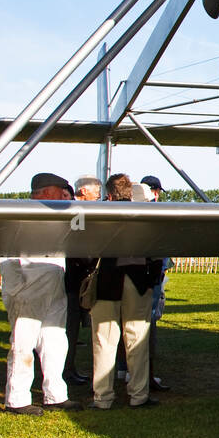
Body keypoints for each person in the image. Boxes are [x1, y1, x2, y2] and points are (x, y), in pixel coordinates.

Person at [0, 173, 82, 414]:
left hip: (54, 282)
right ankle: (16, 399)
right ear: (47, 192)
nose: (65, 195)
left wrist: (73, 203)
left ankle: (55, 395)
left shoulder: (61, 213)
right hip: (30, 287)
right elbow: (7, 255)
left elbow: (80, 227)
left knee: (55, 340)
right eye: (62, 191)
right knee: (23, 344)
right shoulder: (23, 214)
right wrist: (17, 290)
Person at [89, 174, 162, 409]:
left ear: (109, 194)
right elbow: (156, 251)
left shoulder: (99, 215)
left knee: (104, 341)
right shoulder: (145, 214)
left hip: (108, 280)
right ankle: (139, 395)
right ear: (130, 193)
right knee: (138, 340)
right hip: (139, 279)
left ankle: (102, 398)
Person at [62, 174, 102, 385]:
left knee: (73, 331)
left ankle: (69, 369)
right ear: (85, 192)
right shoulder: (76, 211)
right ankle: (65, 371)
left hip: (74, 278)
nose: (98, 198)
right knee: (69, 330)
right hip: (72, 280)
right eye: (96, 194)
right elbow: (77, 246)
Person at [140, 175, 171, 392]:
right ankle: (145, 376)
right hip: (151, 276)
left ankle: (127, 370)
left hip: (142, 275)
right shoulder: (154, 211)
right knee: (147, 326)